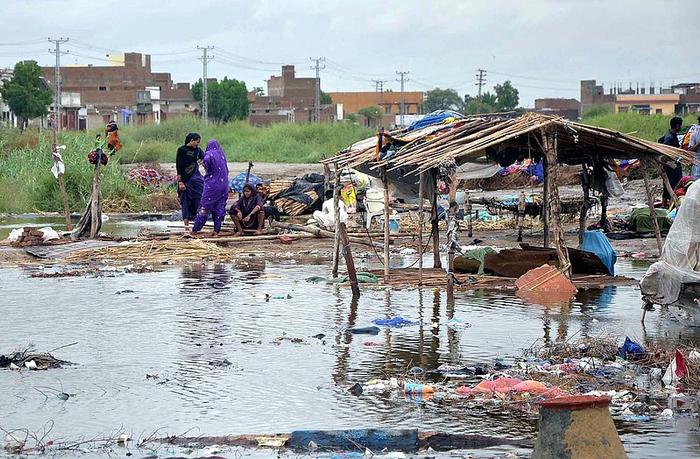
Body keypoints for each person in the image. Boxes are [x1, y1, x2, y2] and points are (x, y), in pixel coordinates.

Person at [191, 139, 230, 237]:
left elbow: (206, 160)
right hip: (224, 185)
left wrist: (203, 162)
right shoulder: (222, 156)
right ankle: (216, 231)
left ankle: (195, 230)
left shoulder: (209, 154)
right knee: (219, 207)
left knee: (205, 206)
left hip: (213, 186)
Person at [176, 133, 204, 229]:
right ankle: (186, 227)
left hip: (197, 181)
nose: (198, 144)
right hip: (185, 181)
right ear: (191, 140)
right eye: (197, 142)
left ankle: (197, 226)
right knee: (185, 203)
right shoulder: (181, 150)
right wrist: (180, 182)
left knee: (199, 201)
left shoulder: (198, 151)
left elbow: (205, 159)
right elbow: (178, 167)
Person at [660, 116, 684, 206]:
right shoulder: (669, 137)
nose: (681, 128)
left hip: (672, 165)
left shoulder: (672, 135)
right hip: (671, 166)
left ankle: (666, 204)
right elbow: (666, 151)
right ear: (677, 126)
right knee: (672, 185)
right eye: (680, 126)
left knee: (668, 185)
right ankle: (670, 204)